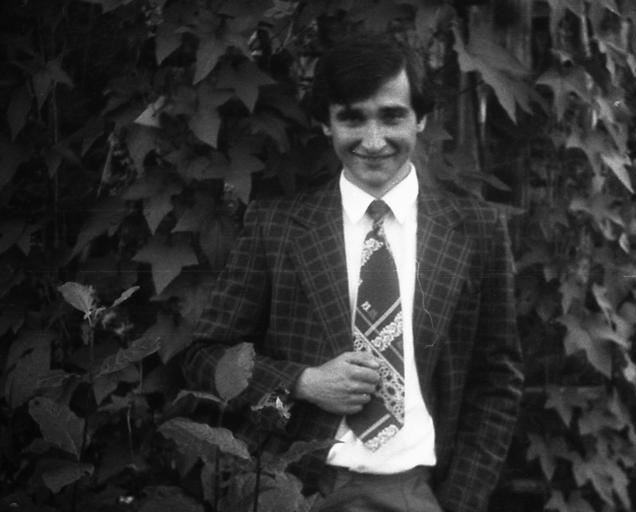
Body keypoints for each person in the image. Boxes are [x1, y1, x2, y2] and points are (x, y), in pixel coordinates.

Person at [183, 33, 524, 512]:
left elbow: (496, 382)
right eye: (352, 118)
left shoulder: (478, 230)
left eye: (392, 116)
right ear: (327, 123)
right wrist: (303, 382)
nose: (373, 140)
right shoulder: (276, 226)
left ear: (421, 117)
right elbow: (204, 356)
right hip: (294, 488)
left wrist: (459, 502)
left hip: (416, 492)